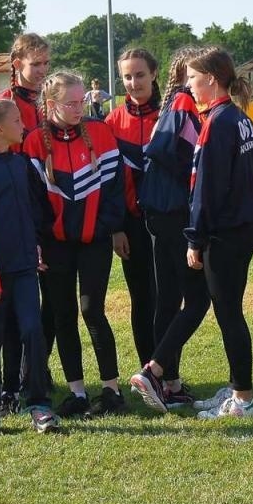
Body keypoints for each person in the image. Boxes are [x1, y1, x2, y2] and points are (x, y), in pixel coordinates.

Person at [130, 48, 253, 420]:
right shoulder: (238, 118)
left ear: (211, 79)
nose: (187, 84)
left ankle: (243, 399)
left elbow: (207, 189)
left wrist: (195, 238)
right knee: (218, 308)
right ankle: (228, 387)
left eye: (192, 77)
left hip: (226, 233)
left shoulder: (218, 122)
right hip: (244, 225)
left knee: (228, 314)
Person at [23, 70, 127, 418]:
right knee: (63, 314)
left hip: (94, 241)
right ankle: (77, 392)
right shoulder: (34, 142)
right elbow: (33, 200)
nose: (79, 108)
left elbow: (115, 187)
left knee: (92, 310)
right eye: (71, 103)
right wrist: (43, 236)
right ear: (51, 103)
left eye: (82, 101)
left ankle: (112, 390)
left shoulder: (100, 132)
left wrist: (103, 227)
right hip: (55, 246)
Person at [0, 98, 61, 437]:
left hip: (23, 269)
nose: (23, 125)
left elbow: (27, 215)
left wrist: (34, 249)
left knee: (33, 332)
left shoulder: (20, 164)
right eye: (17, 120)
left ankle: (38, 403)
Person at [128, 48, 205, 410]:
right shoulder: (183, 101)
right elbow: (165, 151)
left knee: (170, 298)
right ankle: (158, 374)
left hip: (163, 210)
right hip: (172, 211)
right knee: (189, 298)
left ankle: (169, 382)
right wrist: (199, 174)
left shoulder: (174, 101)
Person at [104, 48, 160, 369]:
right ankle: (148, 371)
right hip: (131, 225)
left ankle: (168, 372)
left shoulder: (171, 115)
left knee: (167, 299)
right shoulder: (112, 121)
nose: (133, 82)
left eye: (140, 75)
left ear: (154, 74)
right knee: (141, 299)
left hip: (166, 223)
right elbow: (107, 182)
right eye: (127, 76)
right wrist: (116, 228)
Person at [1, 32, 51, 139]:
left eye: (46, 63)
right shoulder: (3, 101)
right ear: (17, 64)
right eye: (36, 64)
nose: (43, 70)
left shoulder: (54, 97)